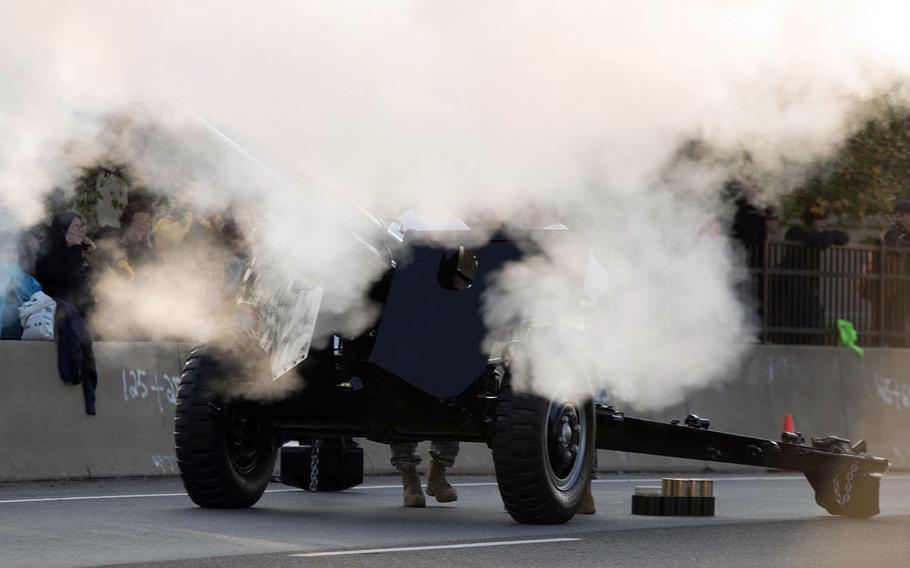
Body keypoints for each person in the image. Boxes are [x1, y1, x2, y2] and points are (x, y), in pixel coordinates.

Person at [35, 212, 99, 414]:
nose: (81, 231)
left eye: (82, 226)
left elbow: (90, 284)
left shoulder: (79, 253)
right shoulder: (49, 254)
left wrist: (90, 255)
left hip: (85, 311)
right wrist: (74, 251)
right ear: (63, 231)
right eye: (76, 227)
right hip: (62, 309)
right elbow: (63, 280)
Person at [770, 203, 849, 344]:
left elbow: (843, 238)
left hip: (809, 292)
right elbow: (807, 237)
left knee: (813, 332)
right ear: (809, 222)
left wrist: (825, 236)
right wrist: (824, 237)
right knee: (790, 333)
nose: (821, 223)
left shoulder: (821, 236)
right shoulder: (796, 232)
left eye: (822, 219)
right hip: (790, 292)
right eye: (817, 219)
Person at [1, 232, 43, 339]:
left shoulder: (28, 280)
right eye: (7, 251)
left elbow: (38, 302)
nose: (11, 256)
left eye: (14, 251)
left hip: (20, 335)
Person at [119, 201, 158, 269]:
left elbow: (158, 266)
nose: (145, 224)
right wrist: (135, 242)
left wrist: (146, 243)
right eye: (140, 219)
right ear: (129, 222)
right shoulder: (117, 239)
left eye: (148, 221)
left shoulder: (149, 240)